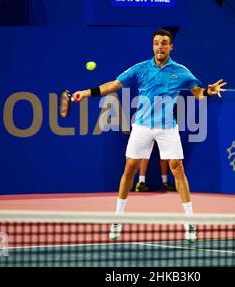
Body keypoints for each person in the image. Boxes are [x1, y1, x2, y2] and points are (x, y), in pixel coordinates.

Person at [72, 29, 226, 241]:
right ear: (152, 46)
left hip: (167, 127)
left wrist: (208, 91)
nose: (160, 47)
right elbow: (114, 85)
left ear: (171, 47)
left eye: (164, 43)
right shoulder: (140, 68)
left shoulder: (181, 71)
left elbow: (197, 92)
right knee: (129, 168)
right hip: (142, 126)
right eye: (156, 43)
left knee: (177, 168)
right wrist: (86, 93)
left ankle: (190, 222)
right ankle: (117, 219)